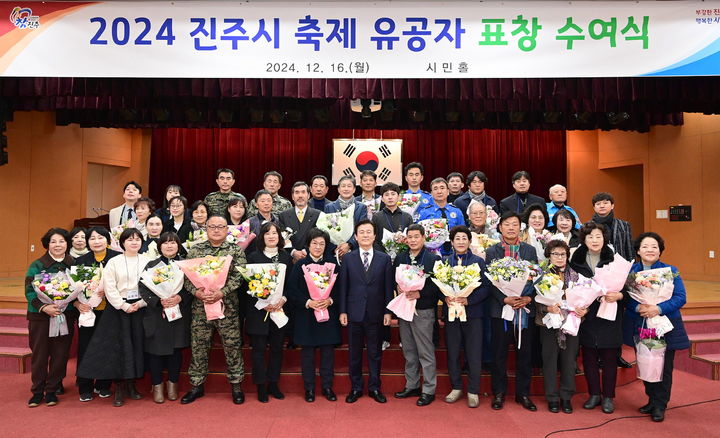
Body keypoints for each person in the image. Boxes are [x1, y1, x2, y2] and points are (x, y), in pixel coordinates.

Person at [77, 228, 149, 407]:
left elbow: (151, 286)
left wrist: (140, 303)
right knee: (117, 349)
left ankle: (132, 385)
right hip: (117, 310)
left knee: (136, 347)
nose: (134, 242)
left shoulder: (148, 261)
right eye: (129, 239)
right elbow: (109, 287)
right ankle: (119, 388)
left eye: (137, 239)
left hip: (139, 309)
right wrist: (123, 305)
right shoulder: (114, 261)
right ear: (122, 242)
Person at [623, 232, 689, 422]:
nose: (650, 250)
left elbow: (680, 297)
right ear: (638, 250)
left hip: (664, 326)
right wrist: (639, 307)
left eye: (654, 246)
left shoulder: (670, 271)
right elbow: (625, 299)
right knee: (646, 361)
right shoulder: (631, 272)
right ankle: (651, 399)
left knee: (663, 366)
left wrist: (657, 308)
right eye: (645, 246)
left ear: (660, 251)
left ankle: (660, 404)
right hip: (641, 323)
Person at [180, 215, 246, 405]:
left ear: (227, 229)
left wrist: (222, 292)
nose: (216, 230)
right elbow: (185, 277)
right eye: (212, 226)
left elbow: (240, 276)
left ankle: (236, 384)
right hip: (201, 308)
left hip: (228, 308)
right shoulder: (196, 250)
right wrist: (197, 292)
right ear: (206, 229)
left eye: (220, 227)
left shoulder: (235, 250)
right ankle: (196, 385)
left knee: (232, 346)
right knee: (199, 346)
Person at [569, 222, 626, 414]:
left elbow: (627, 286)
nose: (594, 240)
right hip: (586, 314)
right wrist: (576, 305)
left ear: (605, 239)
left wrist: (619, 295)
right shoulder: (575, 260)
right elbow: (570, 286)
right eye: (590, 236)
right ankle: (594, 394)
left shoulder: (615, 260)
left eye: (598, 236)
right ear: (584, 239)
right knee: (589, 356)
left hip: (609, 311)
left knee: (610, 357)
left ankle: (608, 397)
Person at [485, 212, 539, 412]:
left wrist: (528, 297)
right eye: (506, 224)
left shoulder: (530, 250)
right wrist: (504, 299)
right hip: (501, 310)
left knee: (524, 354)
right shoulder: (492, 251)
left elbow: (536, 277)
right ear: (500, 227)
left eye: (515, 224)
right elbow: (488, 281)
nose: (510, 228)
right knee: (499, 353)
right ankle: (499, 393)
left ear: (520, 228)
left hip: (524, 309)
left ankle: (523, 394)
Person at [339, 219, 393, 404]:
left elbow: (388, 288)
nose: (365, 235)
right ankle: (355, 388)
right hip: (354, 312)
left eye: (369, 232)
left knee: (374, 352)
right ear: (355, 236)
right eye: (361, 232)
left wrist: (388, 312)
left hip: (376, 313)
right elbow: (343, 287)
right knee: (354, 353)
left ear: (375, 235)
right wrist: (343, 311)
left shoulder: (384, 259)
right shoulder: (348, 258)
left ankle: (375, 388)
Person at [287, 228, 341, 402]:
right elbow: (291, 291)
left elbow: (342, 289)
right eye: (314, 243)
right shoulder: (299, 265)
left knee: (327, 354)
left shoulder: (332, 264)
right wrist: (308, 302)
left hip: (328, 316)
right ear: (308, 245)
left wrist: (330, 300)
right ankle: (309, 388)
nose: (318, 247)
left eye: (322, 244)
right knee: (307, 355)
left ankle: (327, 387)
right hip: (306, 316)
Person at [24, 228, 76, 407]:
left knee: (60, 354)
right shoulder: (37, 265)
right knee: (40, 354)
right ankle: (37, 391)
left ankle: (52, 389)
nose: (57, 245)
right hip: (40, 317)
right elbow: (30, 291)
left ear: (67, 244)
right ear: (47, 244)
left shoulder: (73, 264)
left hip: (65, 315)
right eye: (53, 242)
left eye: (61, 241)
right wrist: (44, 307)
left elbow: (80, 290)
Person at [138, 232, 191, 404]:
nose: (169, 246)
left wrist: (180, 297)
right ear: (159, 246)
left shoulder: (185, 265)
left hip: (178, 313)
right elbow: (143, 288)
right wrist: (159, 301)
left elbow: (192, 287)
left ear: (178, 245)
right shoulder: (151, 266)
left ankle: (172, 385)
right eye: (166, 243)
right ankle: (157, 385)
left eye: (173, 243)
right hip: (157, 315)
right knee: (155, 352)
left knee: (176, 351)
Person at [392, 224, 441, 407]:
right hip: (405, 308)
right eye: (409, 237)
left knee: (425, 351)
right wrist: (398, 288)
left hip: (423, 310)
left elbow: (438, 286)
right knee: (409, 349)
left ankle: (429, 389)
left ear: (423, 238)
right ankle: (412, 384)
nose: (413, 240)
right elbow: (393, 278)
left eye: (416, 237)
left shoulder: (432, 259)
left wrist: (421, 293)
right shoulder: (400, 257)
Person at [442, 226, 490, 408]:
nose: (461, 241)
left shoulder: (478, 262)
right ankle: (456, 387)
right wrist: (444, 297)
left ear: (469, 241)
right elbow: (437, 286)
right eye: (457, 238)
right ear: (452, 242)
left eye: (464, 238)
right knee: (453, 352)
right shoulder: (445, 262)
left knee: (474, 352)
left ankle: (473, 390)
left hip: (473, 314)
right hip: (452, 315)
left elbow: (486, 288)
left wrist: (469, 300)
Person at [246, 222, 293, 402]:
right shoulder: (253, 257)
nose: (271, 236)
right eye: (267, 233)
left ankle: (273, 383)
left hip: (279, 310)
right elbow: (247, 286)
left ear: (280, 237)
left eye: (275, 233)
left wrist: (282, 299)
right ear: (262, 236)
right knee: (258, 350)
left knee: (276, 349)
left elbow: (290, 284)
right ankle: (260, 386)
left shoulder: (285, 257)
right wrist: (261, 302)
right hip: (258, 311)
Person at [74, 226, 120, 401]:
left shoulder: (116, 258)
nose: (96, 241)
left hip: (110, 311)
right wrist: (78, 303)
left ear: (107, 240)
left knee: (107, 347)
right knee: (86, 347)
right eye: (92, 238)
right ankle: (85, 385)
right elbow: (75, 288)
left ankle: (103, 384)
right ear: (87, 242)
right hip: (89, 311)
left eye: (100, 237)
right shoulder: (81, 261)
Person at [537, 240, 581, 414]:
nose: (559, 257)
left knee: (569, 361)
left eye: (563, 254)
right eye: (555, 254)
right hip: (548, 323)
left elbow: (584, 298)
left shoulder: (576, 276)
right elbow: (534, 300)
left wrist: (581, 309)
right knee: (549, 360)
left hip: (571, 323)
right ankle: (552, 398)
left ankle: (566, 397)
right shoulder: (541, 275)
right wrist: (546, 307)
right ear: (549, 256)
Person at [416, 178, 465, 256]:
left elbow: (463, 233)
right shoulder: (424, 213)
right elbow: (418, 235)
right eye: (435, 189)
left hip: (455, 254)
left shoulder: (457, 211)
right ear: (431, 194)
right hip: (431, 254)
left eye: (442, 188)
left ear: (448, 191)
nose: (439, 191)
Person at [324, 175, 369, 258]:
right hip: (334, 251)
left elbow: (362, 230)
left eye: (349, 186)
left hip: (355, 250)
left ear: (354, 189)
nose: (346, 189)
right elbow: (327, 231)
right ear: (338, 189)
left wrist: (349, 244)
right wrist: (335, 248)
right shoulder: (329, 207)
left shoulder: (361, 207)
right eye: (343, 186)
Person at [278, 181, 322, 263]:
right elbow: (281, 239)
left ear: (308, 195)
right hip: (290, 260)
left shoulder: (318, 215)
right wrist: (293, 252)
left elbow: (319, 238)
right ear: (292, 196)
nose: (300, 195)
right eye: (297, 192)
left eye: (303, 192)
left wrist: (305, 251)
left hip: (311, 258)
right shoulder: (283, 215)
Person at [591, 192, 633, 261]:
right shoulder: (588, 226)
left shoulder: (624, 225)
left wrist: (631, 264)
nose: (602, 206)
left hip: (620, 264)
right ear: (594, 208)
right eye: (598, 204)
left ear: (612, 206)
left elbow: (629, 248)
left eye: (605, 203)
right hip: (597, 264)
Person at [372, 182, 413, 250]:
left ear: (399, 197)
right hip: (382, 256)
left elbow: (411, 238)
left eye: (393, 194)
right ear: (382, 199)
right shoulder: (376, 217)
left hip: (403, 256)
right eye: (386, 195)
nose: (390, 197)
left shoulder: (407, 217)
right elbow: (374, 239)